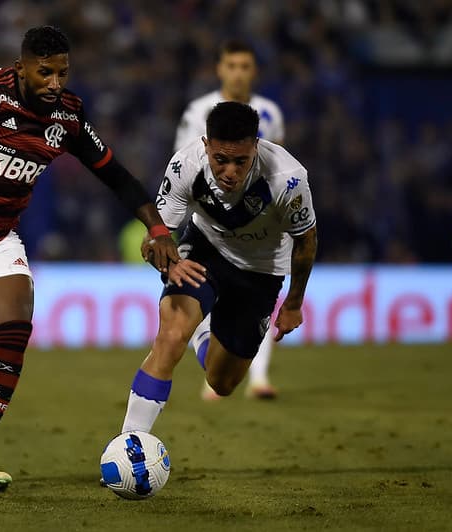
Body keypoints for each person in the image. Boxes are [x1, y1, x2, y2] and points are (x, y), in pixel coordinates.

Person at [0, 26, 186, 493]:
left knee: (14, 330)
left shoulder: (68, 115)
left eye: (63, 72)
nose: (55, 82)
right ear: (21, 67)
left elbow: (115, 175)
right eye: (44, 72)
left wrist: (158, 227)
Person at [120, 101, 317, 441]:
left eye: (241, 161)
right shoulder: (186, 165)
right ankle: (129, 442)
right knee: (169, 335)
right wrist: (166, 260)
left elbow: (306, 241)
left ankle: (204, 334)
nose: (230, 172)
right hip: (205, 250)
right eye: (220, 160)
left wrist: (294, 302)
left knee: (221, 382)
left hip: (261, 270)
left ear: (256, 146)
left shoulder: (287, 179)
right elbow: (156, 239)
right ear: (206, 145)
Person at [174, 39, 286, 400]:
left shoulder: (270, 113)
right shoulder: (198, 111)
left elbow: (278, 166)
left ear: (254, 71)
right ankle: (214, 365)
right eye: (232, 65)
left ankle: (258, 377)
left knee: (258, 301)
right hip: (211, 224)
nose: (238, 73)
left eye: (245, 66)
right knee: (204, 293)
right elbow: (186, 164)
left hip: (261, 227)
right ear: (220, 69)